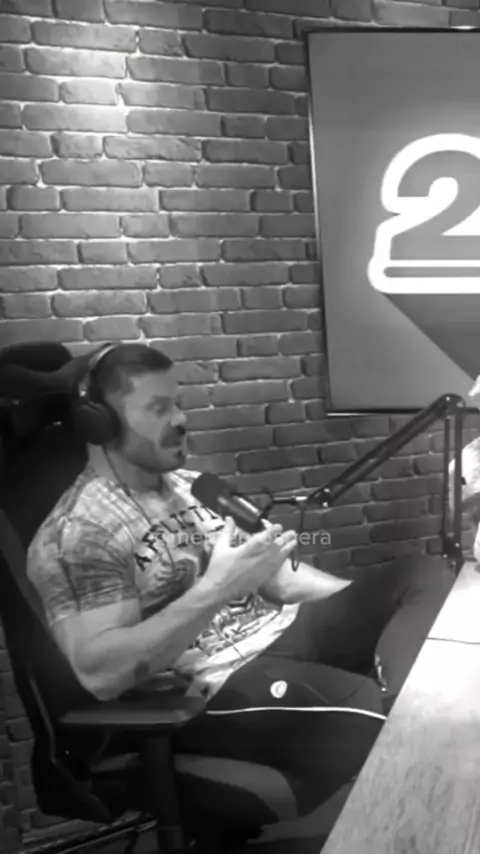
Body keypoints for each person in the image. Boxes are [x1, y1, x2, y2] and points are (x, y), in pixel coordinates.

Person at [27, 342, 455, 813]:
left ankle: (412, 725)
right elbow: (103, 674)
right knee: (362, 705)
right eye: (158, 407)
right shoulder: (80, 533)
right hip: (209, 685)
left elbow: (281, 578)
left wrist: (372, 614)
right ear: (99, 423)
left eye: (178, 403)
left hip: (284, 633)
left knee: (420, 573)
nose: (181, 419)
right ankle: (416, 754)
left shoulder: (193, 487)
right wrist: (219, 587)